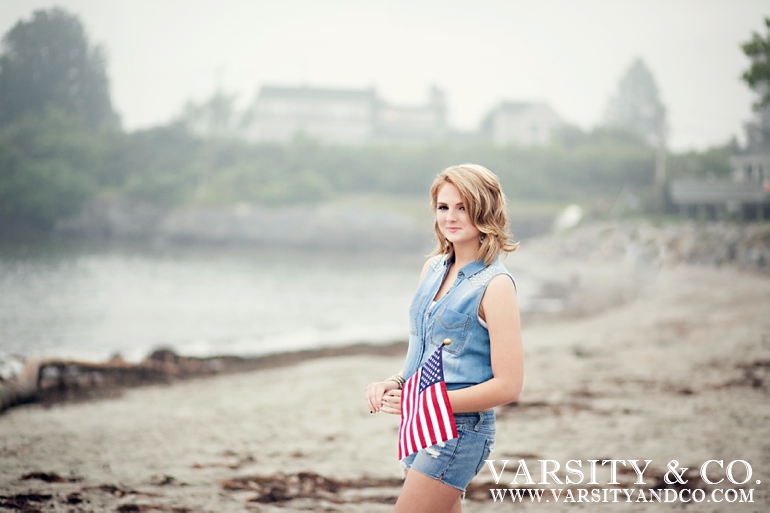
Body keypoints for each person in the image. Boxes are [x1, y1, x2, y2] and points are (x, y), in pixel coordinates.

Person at [365, 164, 524, 513]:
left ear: (484, 209)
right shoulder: (433, 269)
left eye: (462, 207)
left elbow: (509, 386)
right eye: (443, 207)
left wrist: (426, 404)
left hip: (459, 432)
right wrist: (395, 382)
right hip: (419, 423)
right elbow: (421, 350)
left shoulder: (496, 286)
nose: (450, 217)